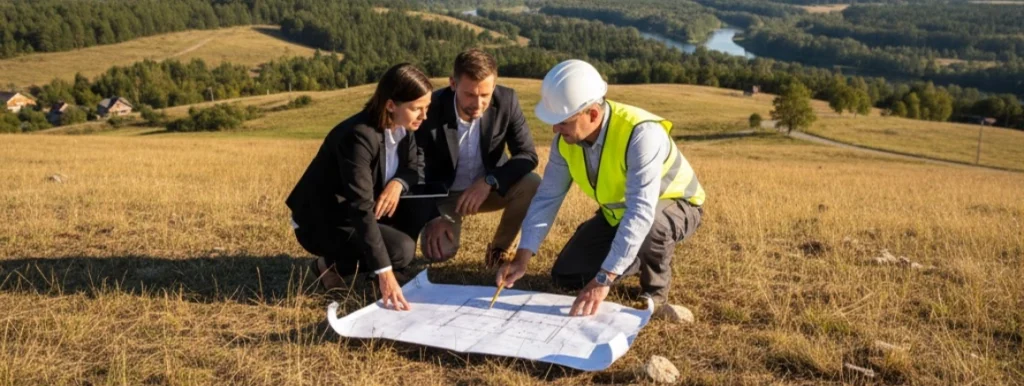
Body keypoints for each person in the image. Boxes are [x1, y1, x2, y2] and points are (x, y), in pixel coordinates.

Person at [497, 59, 706, 317]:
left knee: (651, 225)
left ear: (593, 114)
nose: (555, 129)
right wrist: (522, 257)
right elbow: (547, 198)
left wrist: (604, 278)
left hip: (674, 207)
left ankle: (654, 293)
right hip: (616, 216)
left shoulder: (641, 134)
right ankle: (631, 256)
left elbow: (641, 210)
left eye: (562, 121)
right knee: (566, 276)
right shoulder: (564, 142)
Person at [286, 63, 432, 311]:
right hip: (322, 221)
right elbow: (361, 208)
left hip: (356, 213)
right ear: (390, 105)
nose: (424, 116)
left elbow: (415, 166)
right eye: (417, 108)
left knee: (418, 203)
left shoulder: (404, 127)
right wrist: (386, 274)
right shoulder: (358, 136)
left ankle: (370, 267)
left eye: (426, 108)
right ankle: (327, 267)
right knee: (402, 251)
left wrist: (398, 182)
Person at [415, 49, 540, 266]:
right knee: (438, 252)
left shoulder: (507, 101)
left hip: (489, 189)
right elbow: (415, 167)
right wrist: (433, 216)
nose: (479, 103)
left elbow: (527, 155)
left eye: (485, 95)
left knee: (532, 183)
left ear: (494, 86)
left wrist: (489, 181)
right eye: (470, 94)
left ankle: (499, 250)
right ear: (452, 84)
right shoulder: (430, 109)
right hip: (444, 194)